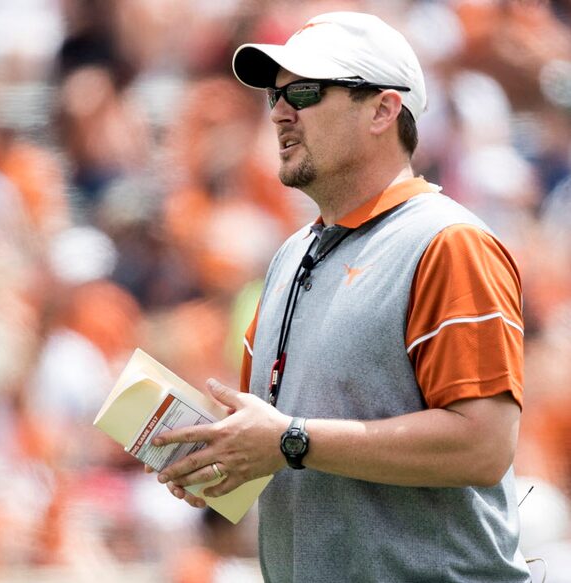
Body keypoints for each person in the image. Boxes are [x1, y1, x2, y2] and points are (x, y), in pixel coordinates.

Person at [151, 12, 531, 582]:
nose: (280, 111)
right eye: (275, 97)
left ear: (383, 109)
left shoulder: (449, 243)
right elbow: (282, 446)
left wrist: (290, 440)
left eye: (304, 92)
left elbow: (482, 446)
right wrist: (221, 458)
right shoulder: (286, 259)